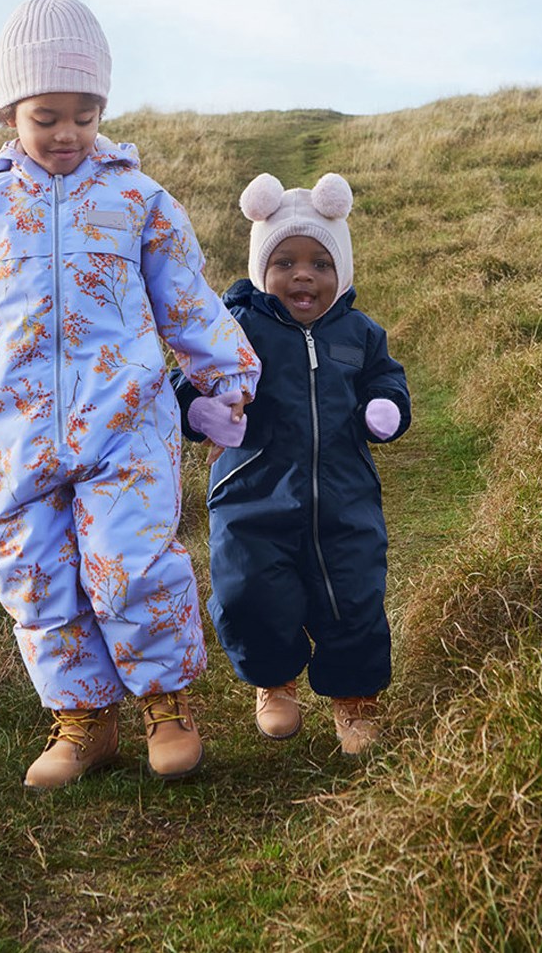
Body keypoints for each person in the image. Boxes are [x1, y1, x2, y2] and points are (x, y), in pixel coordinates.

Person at [0, 0, 259, 789]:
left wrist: (227, 372)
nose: (66, 133)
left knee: (130, 560)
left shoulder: (137, 199)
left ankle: (165, 704)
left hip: (124, 422)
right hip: (13, 435)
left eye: (84, 114)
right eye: (46, 116)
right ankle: (83, 720)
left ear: (103, 109)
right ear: (9, 115)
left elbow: (186, 295)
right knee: (34, 574)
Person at [172, 172, 410, 754]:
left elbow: (387, 377)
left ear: (341, 273)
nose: (303, 274)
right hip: (250, 491)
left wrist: (387, 406)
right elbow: (185, 377)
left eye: (320, 264)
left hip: (344, 492)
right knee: (247, 591)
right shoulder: (236, 329)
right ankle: (275, 682)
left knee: (352, 593)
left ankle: (354, 699)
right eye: (285, 261)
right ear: (261, 269)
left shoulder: (360, 332)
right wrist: (199, 410)